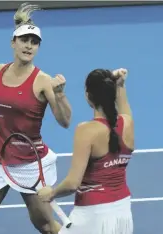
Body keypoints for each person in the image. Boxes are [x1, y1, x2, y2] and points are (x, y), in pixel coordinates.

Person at [0, 3, 72, 234]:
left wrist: (60, 95)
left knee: (47, 226)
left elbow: (65, 121)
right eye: (24, 40)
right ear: (13, 42)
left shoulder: (43, 81)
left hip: (30, 163)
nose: (29, 46)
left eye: (34, 42)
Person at [38, 68, 135, 234]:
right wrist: (120, 85)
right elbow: (123, 104)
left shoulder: (86, 131)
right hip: (123, 214)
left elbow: (72, 183)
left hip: (92, 217)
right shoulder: (127, 123)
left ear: (88, 96)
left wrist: (51, 193)